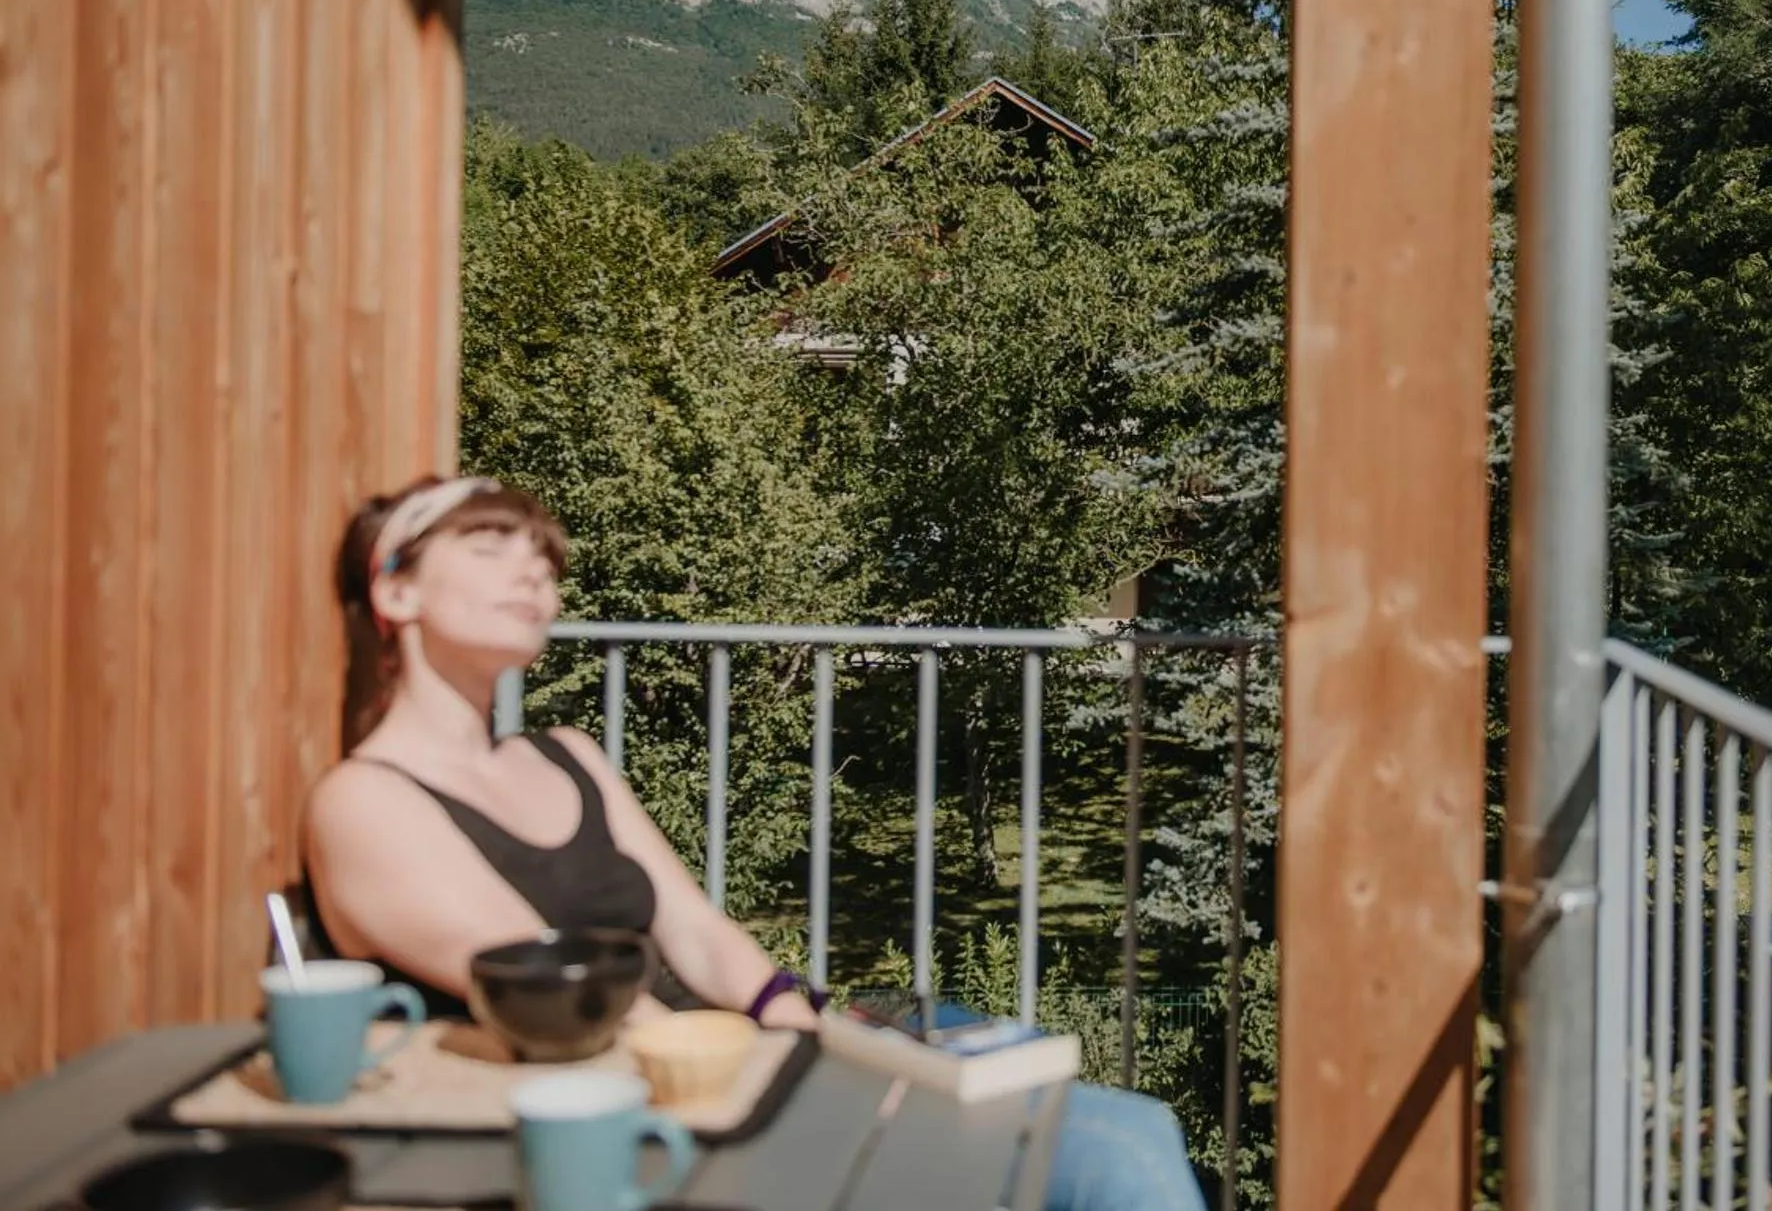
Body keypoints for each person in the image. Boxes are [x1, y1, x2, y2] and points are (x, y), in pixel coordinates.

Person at [303, 474, 1207, 1211]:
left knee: (1138, 1127)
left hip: (729, 1064)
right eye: (492, 545)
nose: (535, 573)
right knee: (1110, 1163)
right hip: (632, 1122)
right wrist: (787, 1075)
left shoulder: (565, 754)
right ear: (394, 588)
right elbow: (567, 998)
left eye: (544, 557)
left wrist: (793, 1009)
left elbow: (695, 929)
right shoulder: (365, 803)